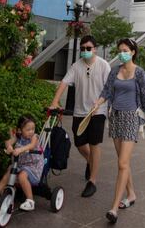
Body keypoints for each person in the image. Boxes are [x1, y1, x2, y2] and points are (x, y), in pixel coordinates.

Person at [91, 38, 145, 224]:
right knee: (124, 163)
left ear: (133, 52)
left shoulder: (139, 73)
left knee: (122, 163)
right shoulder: (114, 72)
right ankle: (131, 194)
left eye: (125, 50)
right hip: (115, 117)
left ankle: (113, 208)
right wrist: (98, 102)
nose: (122, 53)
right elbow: (106, 92)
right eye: (120, 50)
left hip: (130, 118)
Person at [49, 34, 111, 198]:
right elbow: (64, 82)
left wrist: (102, 102)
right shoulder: (76, 66)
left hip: (98, 111)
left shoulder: (104, 65)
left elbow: (109, 87)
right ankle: (91, 162)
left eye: (88, 48)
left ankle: (92, 181)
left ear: (95, 49)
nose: (85, 51)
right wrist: (55, 101)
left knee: (94, 143)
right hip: (79, 112)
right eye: (82, 49)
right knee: (79, 143)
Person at [0, 115, 44, 213]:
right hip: (20, 165)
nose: (31, 131)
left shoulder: (34, 137)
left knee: (22, 175)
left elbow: (31, 145)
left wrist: (21, 149)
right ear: (20, 130)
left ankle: (30, 201)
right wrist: (9, 146)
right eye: (28, 129)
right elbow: (8, 142)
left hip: (33, 167)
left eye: (33, 129)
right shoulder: (18, 136)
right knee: (7, 176)